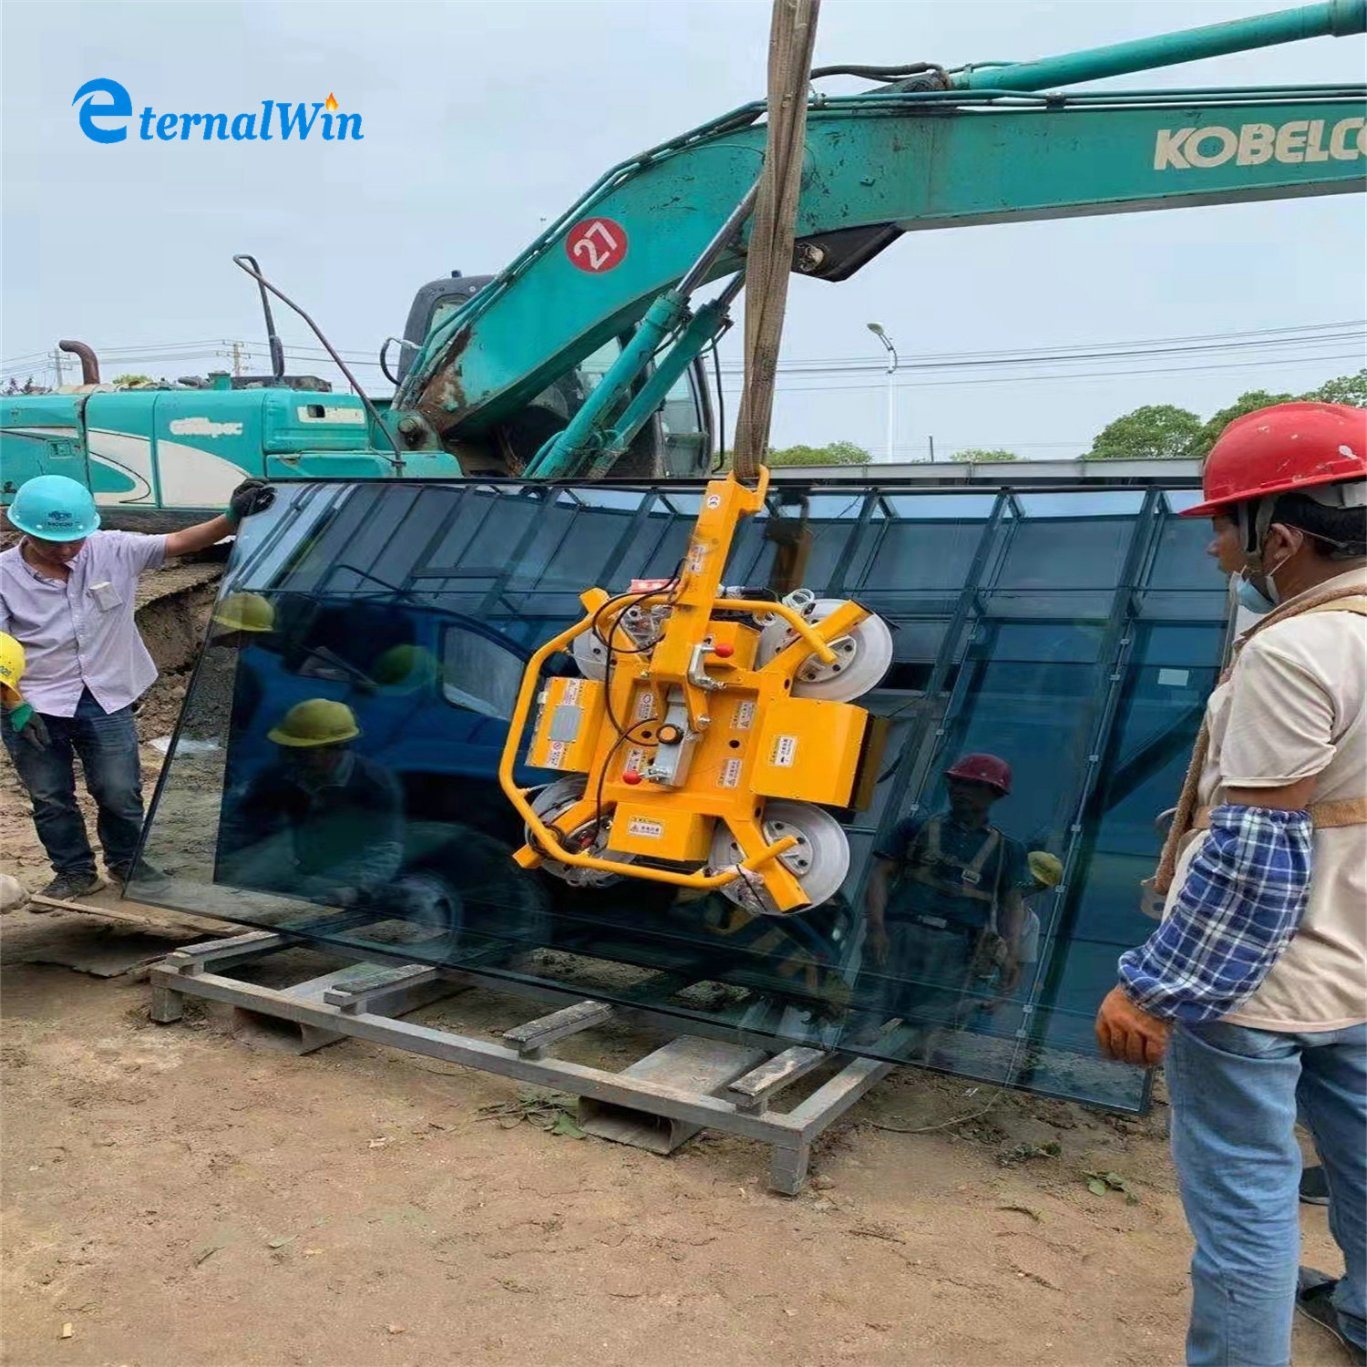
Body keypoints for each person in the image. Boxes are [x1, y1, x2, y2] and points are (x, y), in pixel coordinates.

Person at [1093, 402, 1367, 1367]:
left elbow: (1253, 857)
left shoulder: (1296, 652)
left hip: (1260, 992)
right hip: (1361, 975)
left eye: (1222, 523)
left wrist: (1153, 988)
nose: (1214, 546)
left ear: (1279, 538)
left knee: (1248, 1213)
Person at [0, 473, 274, 898]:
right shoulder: (3, 576)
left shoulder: (113, 550)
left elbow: (180, 542)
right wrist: (15, 703)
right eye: (54, 543)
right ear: (25, 531)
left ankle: (128, 863)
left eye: (76, 539)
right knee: (50, 794)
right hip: (31, 701)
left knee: (118, 788)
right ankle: (74, 872)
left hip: (105, 695)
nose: (68, 550)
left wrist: (231, 517)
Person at [217, 697, 452, 934]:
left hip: (349, 877)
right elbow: (243, 827)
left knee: (411, 903)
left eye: (303, 752)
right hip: (299, 868)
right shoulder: (279, 775)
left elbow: (384, 851)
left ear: (336, 749)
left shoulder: (374, 784)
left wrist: (355, 891)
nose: (291, 757)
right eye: (289, 749)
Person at [862, 752, 1027, 1058]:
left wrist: (1011, 955)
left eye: (973, 786)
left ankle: (896, 1091)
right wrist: (875, 928)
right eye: (956, 784)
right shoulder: (914, 827)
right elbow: (880, 876)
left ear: (994, 795)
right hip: (900, 933)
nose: (960, 791)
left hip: (955, 946)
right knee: (869, 1012)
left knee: (927, 1025)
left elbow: (1011, 906)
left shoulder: (1008, 850)